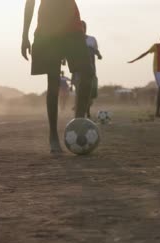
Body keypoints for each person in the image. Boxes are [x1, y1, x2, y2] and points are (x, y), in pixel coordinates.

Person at [21, 0, 94, 153]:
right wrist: (24, 36)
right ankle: (53, 135)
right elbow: (30, 3)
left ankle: (79, 121)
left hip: (72, 28)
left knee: (88, 73)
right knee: (52, 80)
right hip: (48, 30)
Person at [72, 21, 102, 118]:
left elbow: (95, 50)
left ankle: (86, 110)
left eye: (82, 28)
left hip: (90, 70)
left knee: (89, 93)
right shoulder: (74, 41)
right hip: (77, 71)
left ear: (85, 28)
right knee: (79, 92)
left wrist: (98, 54)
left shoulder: (91, 40)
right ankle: (80, 114)